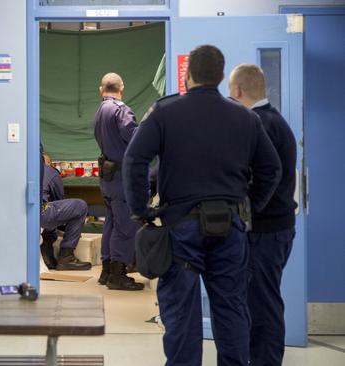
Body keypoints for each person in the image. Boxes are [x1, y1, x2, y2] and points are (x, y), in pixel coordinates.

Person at [123, 45, 282, 365]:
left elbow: (134, 159)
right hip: (230, 227)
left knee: (181, 312)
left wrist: (141, 209)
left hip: (180, 228)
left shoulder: (165, 112)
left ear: (187, 74)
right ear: (221, 77)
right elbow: (272, 169)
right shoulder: (245, 118)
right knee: (232, 309)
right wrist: (250, 205)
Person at [229, 64, 297, 366]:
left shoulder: (260, 123)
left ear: (237, 91)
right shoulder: (271, 120)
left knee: (264, 305)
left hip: (266, 231)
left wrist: (249, 212)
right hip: (272, 229)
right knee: (260, 301)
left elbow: (266, 174)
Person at [93, 72, 144, 291]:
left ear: (100, 89)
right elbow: (136, 139)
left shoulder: (99, 111)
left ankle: (106, 270)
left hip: (107, 177)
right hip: (122, 177)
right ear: (121, 88)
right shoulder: (121, 111)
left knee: (111, 222)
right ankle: (118, 274)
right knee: (125, 225)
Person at [40, 154, 92, 271]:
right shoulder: (51, 171)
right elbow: (58, 200)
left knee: (49, 211)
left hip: (22, 213)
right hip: (40, 212)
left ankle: (46, 254)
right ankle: (66, 257)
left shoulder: (24, 168)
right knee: (79, 206)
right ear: (50, 164)